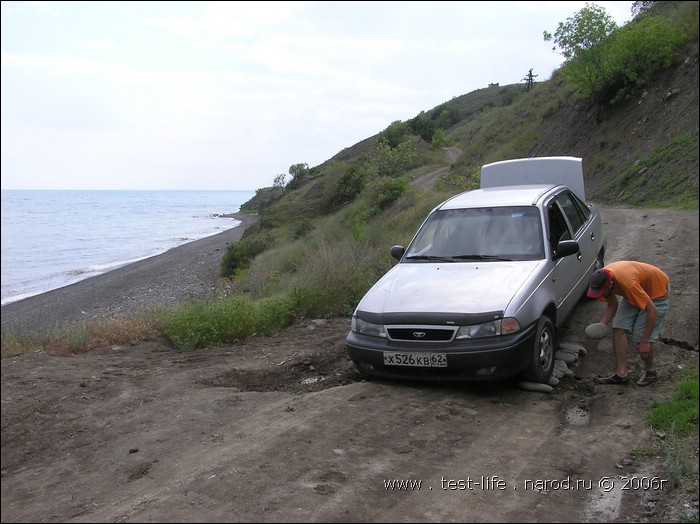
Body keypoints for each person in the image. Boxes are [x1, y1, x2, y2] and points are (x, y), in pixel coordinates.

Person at [587, 261, 670, 386]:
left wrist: (645, 342)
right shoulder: (602, 278)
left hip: (656, 291)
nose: (602, 295)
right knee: (618, 327)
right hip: (635, 290)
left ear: (610, 284)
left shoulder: (627, 283)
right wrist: (601, 326)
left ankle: (650, 371)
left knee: (640, 335)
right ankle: (622, 375)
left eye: (603, 292)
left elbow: (652, 311)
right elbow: (612, 305)